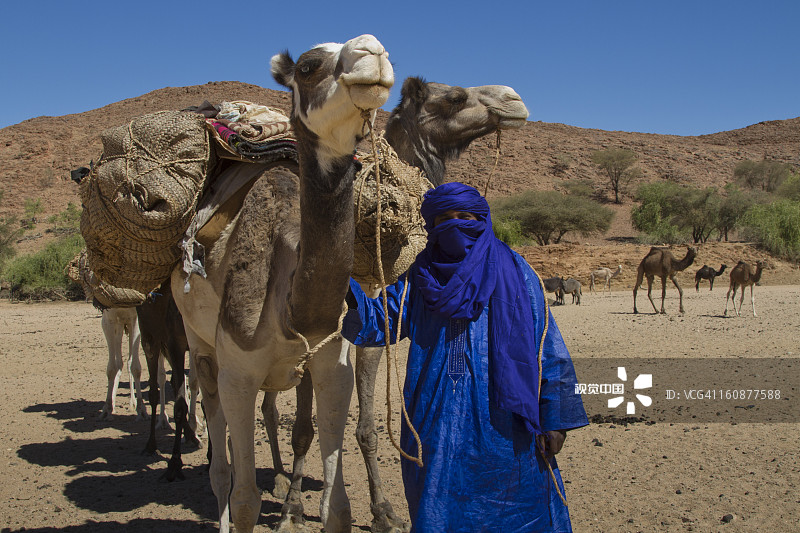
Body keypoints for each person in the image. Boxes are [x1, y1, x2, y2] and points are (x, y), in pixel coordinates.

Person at [342, 182, 588, 532]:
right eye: (443, 218)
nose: (454, 226)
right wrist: (342, 285)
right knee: (438, 511)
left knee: (518, 508)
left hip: (507, 427)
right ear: (431, 225)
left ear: (482, 219)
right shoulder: (419, 278)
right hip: (435, 424)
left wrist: (556, 419)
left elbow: (548, 347)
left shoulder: (518, 273)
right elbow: (380, 321)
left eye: (464, 217)